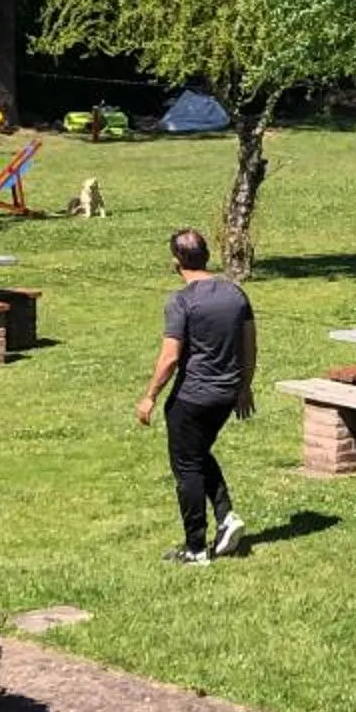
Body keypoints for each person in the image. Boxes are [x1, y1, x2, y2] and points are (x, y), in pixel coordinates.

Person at [135, 228, 255, 565]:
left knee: (186, 466)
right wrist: (244, 386)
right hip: (227, 393)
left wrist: (149, 397)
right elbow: (250, 344)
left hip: (192, 398)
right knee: (198, 452)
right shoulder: (235, 294)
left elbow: (170, 357)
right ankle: (227, 516)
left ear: (176, 262)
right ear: (207, 255)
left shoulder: (182, 301)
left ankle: (196, 547)